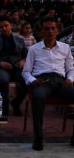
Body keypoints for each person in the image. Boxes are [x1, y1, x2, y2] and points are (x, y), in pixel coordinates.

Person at [22, 16, 74, 151]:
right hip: (42, 82)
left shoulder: (65, 48)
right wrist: (33, 81)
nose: (50, 31)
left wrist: (70, 79)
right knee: (38, 97)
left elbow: (71, 69)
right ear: (41, 32)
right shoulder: (34, 49)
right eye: (47, 29)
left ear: (57, 30)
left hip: (61, 82)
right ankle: (38, 138)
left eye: (53, 28)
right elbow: (26, 72)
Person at [0, 15, 27, 116]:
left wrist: (23, 60)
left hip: (17, 68)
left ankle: (16, 103)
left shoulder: (19, 40)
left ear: (11, 26)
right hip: (2, 68)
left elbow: (27, 54)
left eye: (6, 26)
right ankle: (4, 104)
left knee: (27, 80)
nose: (4, 28)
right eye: (1, 27)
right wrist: (0, 63)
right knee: (2, 80)